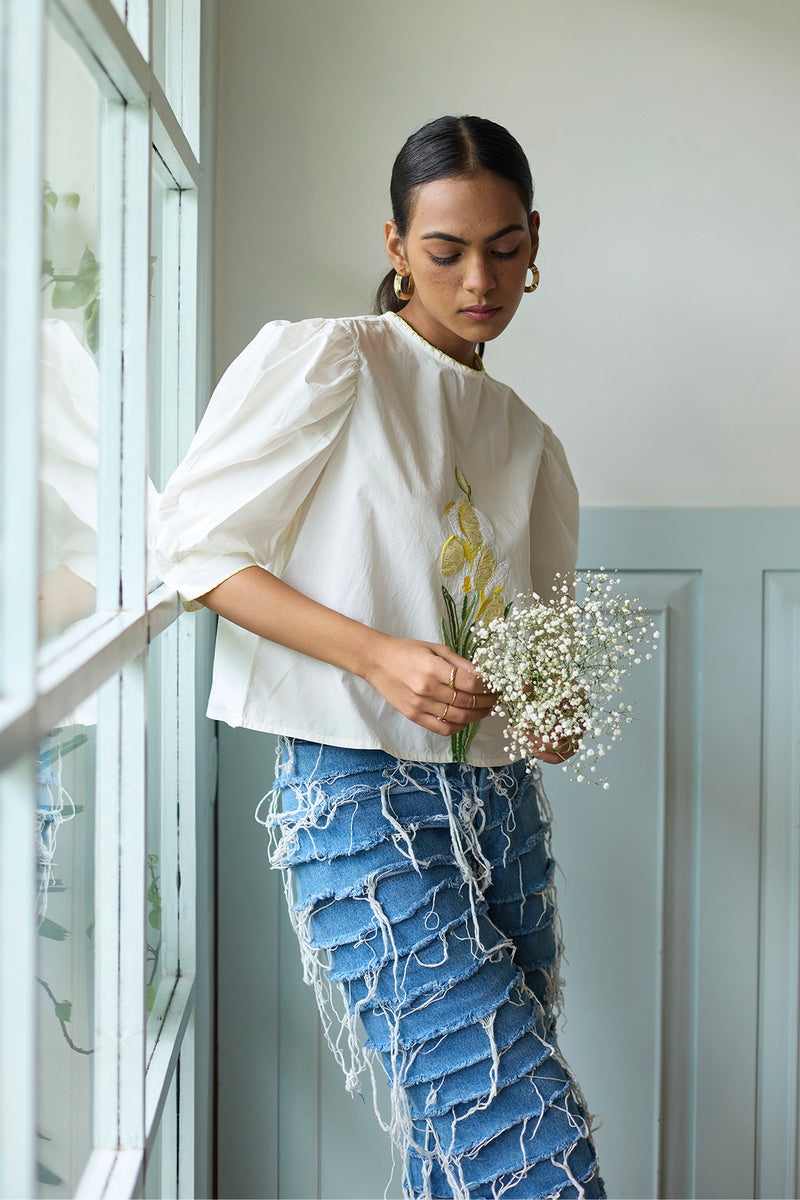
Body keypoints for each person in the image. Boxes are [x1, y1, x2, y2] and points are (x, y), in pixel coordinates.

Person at [155, 115, 606, 1200]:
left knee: (460, 1142)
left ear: (533, 242)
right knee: (534, 1141)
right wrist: (374, 657)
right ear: (396, 244)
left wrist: (548, 712)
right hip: (355, 801)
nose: (477, 277)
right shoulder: (329, 362)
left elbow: (537, 663)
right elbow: (192, 548)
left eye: (501, 247)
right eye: (443, 250)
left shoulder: (528, 441)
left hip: (498, 809)